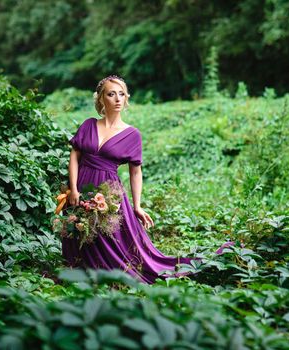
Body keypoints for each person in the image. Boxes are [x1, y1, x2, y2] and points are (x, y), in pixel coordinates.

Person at [61, 74, 197, 284]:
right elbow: (74, 157)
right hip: (81, 186)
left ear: (126, 99)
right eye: (111, 94)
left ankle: (110, 275)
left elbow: (136, 172)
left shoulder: (132, 134)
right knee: (78, 230)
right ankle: (80, 272)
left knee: (112, 239)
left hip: (109, 192)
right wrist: (74, 189)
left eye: (121, 94)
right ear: (101, 99)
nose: (117, 99)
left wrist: (138, 205)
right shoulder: (88, 125)